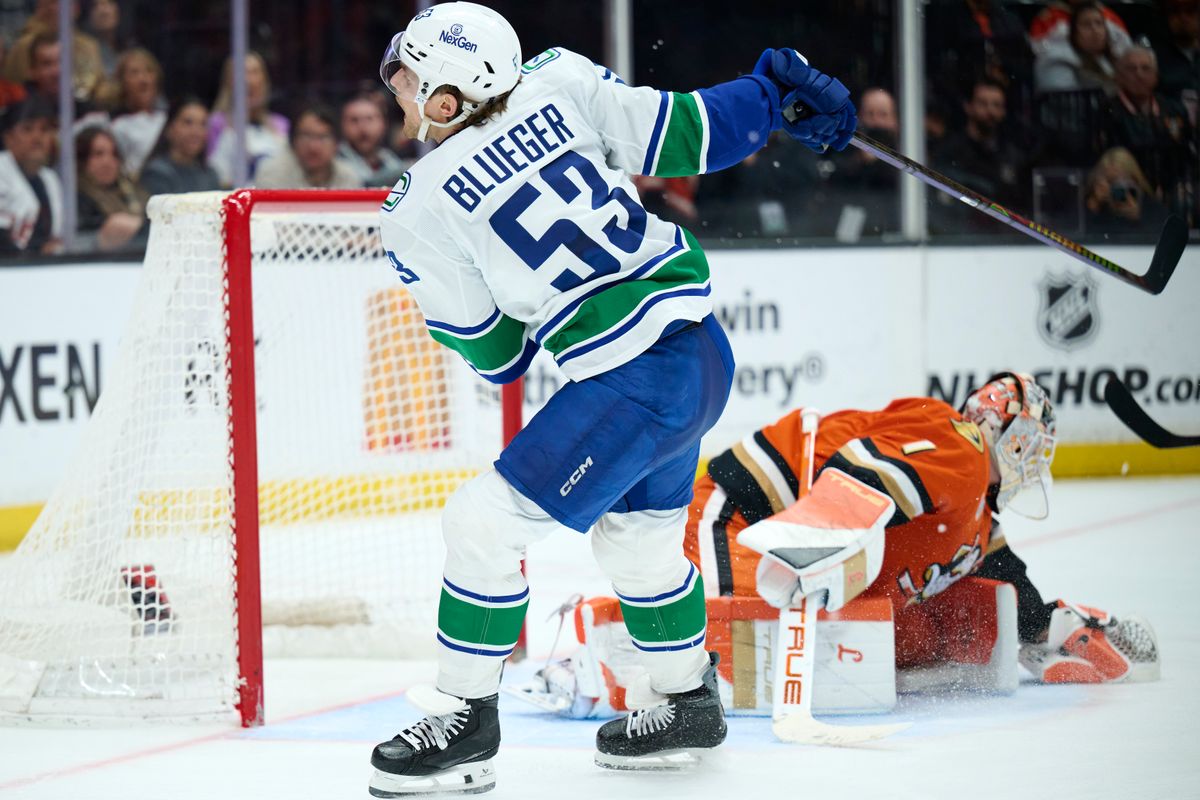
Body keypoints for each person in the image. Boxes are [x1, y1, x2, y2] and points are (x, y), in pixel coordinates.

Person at [367, 2, 856, 794]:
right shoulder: (556, 77)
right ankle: (686, 702)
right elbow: (689, 132)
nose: (397, 87)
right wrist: (772, 96)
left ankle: (464, 719)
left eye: (409, 77)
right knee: (639, 542)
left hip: (634, 380)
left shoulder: (416, 209)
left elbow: (500, 357)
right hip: (701, 352)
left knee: (482, 525)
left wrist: (516, 300)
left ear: (448, 96)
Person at [519, 374, 1160, 719]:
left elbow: (1007, 580)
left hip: (771, 532)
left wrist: (1059, 627)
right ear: (1013, 437)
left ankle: (637, 644)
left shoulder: (974, 519)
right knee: (742, 647)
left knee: (859, 641)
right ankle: (596, 660)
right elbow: (859, 470)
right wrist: (820, 546)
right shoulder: (962, 448)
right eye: (1035, 447)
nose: (1035, 464)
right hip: (737, 516)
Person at [1101, 46, 1195, 218]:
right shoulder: (1106, 111)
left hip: (1173, 188)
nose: (1139, 74)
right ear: (1118, 76)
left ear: (1156, 76)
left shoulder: (1174, 110)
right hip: (1130, 188)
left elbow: (1187, 154)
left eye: (1145, 68)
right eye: (1131, 69)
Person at [931, 77, 1031, 231]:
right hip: (961, 234)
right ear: (968, 106)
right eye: (983, 103)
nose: (990, 111)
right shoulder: (949, 152)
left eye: (996, 105)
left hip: (1005, 236)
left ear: (1004, 111)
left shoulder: (1013, 155)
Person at [207, 51, 289, 187]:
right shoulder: (216, 124)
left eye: (254, 72)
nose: (248, 80)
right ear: (228, 82)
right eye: (241, 72)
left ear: (264, 81)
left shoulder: (281, 125)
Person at [3, 0, 104, 105]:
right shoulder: (24, 45)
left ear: (76, 9)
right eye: (50, 3)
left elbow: (96, 84)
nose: (55, 8)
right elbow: (14, 86)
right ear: (39, 8)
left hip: (82, 106)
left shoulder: (88, 45)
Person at [0, 96, 62, 255]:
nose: (37, 138)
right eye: (27, 129)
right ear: (8, 138)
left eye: (44, 130)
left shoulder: (50, 179)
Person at [74, 125, 147, 252]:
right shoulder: (78, 201)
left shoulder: (132, 190)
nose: (108, 161)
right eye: (98, 154)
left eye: (114, 154)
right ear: (82, 160)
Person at [255, 103, 360, 190]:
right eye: (306, 136)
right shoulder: (272, 173)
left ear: (337, 143)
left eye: (322, 137)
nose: (313, 146)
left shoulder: (348, 177)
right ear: (293, 140)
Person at [139, 96, 221, 196]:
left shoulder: (210, 174)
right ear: (170, 128)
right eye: (188, 123)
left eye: (203, 124)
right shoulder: (157, 173)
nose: (196, 132)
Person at [1034, 2, 1123, 95]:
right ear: (1073, 32)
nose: (1095, 30)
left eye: (1099, 23)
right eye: (1086, 25)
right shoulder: (1056, 60)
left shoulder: (1109, 58)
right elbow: (1063, 100)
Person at [106, 48, 166, 177]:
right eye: (134, 73)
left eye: (149, 71)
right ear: (122, 82)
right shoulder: (117, 126)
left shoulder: (167, 119)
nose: (144, 80)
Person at [1084, 146, 1170, 236]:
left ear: (1135, 179)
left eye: (1122, 181)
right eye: (1111, 181)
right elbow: (1082, 236)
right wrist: (1094, 203)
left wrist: (1138, 218)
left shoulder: (1152, 208)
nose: (1117, 187)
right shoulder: (1100, 208)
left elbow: (1162, 237)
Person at [338, 90, 409, 187]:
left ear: (384, 124)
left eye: (369, 119)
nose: (362, 127)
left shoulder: (390, 157)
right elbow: (364, 184)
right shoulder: (332, 162)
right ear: (342, 125)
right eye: (354, 120)